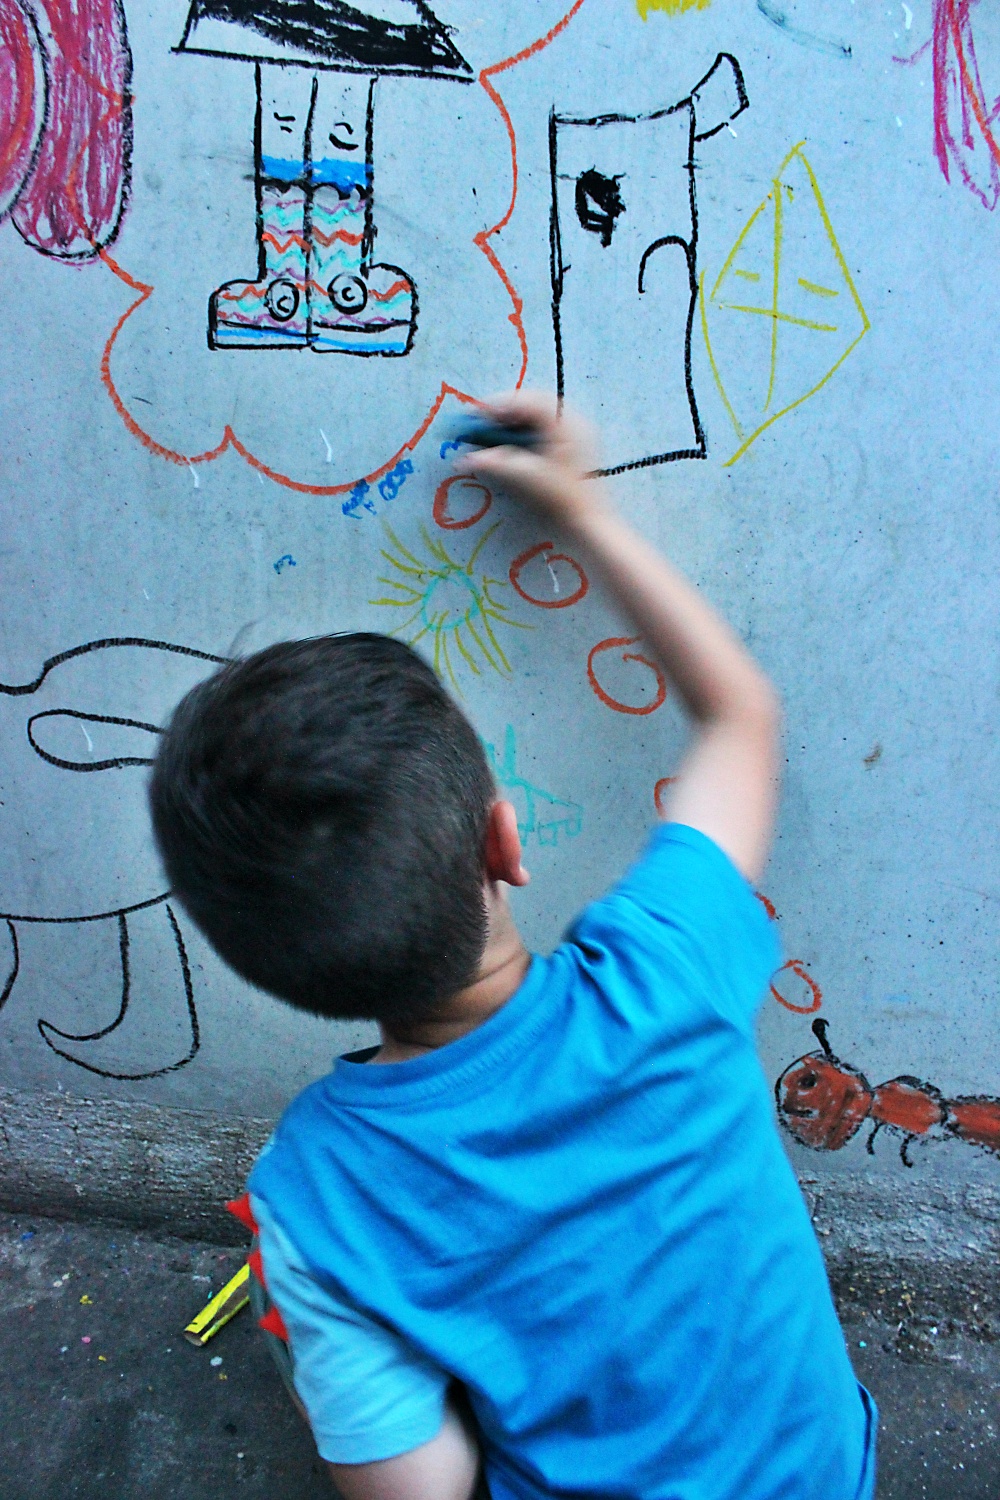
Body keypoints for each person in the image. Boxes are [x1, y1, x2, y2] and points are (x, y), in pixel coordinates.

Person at [149, 393, 876, 1500]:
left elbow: (420, 1490)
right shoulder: (663, 968)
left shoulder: (317, 1196)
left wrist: (309, 1316)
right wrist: (582, 511)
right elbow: (741, 719)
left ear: (254, 962)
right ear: (504, 839)